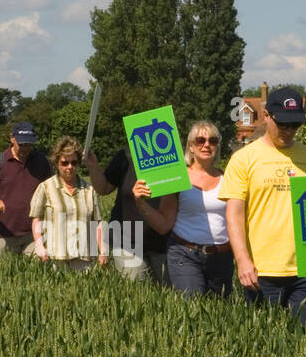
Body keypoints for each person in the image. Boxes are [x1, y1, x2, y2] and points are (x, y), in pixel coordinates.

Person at [218, 87, 306, 333]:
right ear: (267, 116)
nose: (289, 131)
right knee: (263, 345)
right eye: (284, 124)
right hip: (261, 271)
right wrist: (243, 260)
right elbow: (234, 215)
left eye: (295, 126)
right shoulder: (243, 159)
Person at [131, 120, 232, 296]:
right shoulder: (178, 179)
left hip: (221, 257)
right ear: (191, 147)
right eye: (200, 140)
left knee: (219, 316)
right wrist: (140, 203)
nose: (207, 144)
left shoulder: (229, 179)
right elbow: (163, 225)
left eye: (213, 140)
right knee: (192, 309)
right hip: (185, 254)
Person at [85, 146, 167, 284]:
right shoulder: (125, 156)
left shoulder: (171, 157)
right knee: (135, 290)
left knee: (170, 295)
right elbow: (103, 188)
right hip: (126, 242)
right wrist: (93, 167)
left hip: (162, 243)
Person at [0, 121, 52, 254]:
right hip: (5, 234)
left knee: (35, 273)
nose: (26, 148)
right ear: (12, 138)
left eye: (29, 144)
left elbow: (52, 190)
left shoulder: (42, 161)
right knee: (3, 273)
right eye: (22, 144)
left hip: (34, 233)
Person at [30, 137, 108, 272]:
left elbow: (97, 222)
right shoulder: (45, 187)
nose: (70, 167)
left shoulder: (89, 189)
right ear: (56, 163)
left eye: (74, 162)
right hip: (55, 258)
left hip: (84, 258)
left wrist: (103, 250)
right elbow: (36, 218)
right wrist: (39, 246)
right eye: (64, 163)